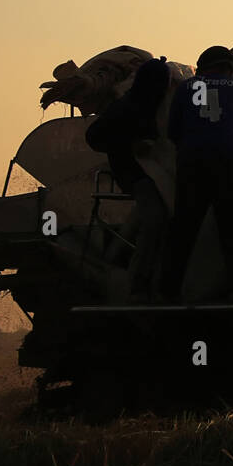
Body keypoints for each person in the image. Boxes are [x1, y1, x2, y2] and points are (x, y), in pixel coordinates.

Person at [158, 46, 233, 304]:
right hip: (226, 159)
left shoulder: (185, 89)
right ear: (229, 68)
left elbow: (173, 130)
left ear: (201, 67)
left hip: (191, 162)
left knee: (184, 226)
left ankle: (168, 290)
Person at [84, 57, 172, 302]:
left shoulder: (154, 105)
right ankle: (137, 287)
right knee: (155, 221)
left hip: (155, 175)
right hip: (135, 175)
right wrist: (130, 144)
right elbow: (93, 137)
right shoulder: (127, 106)